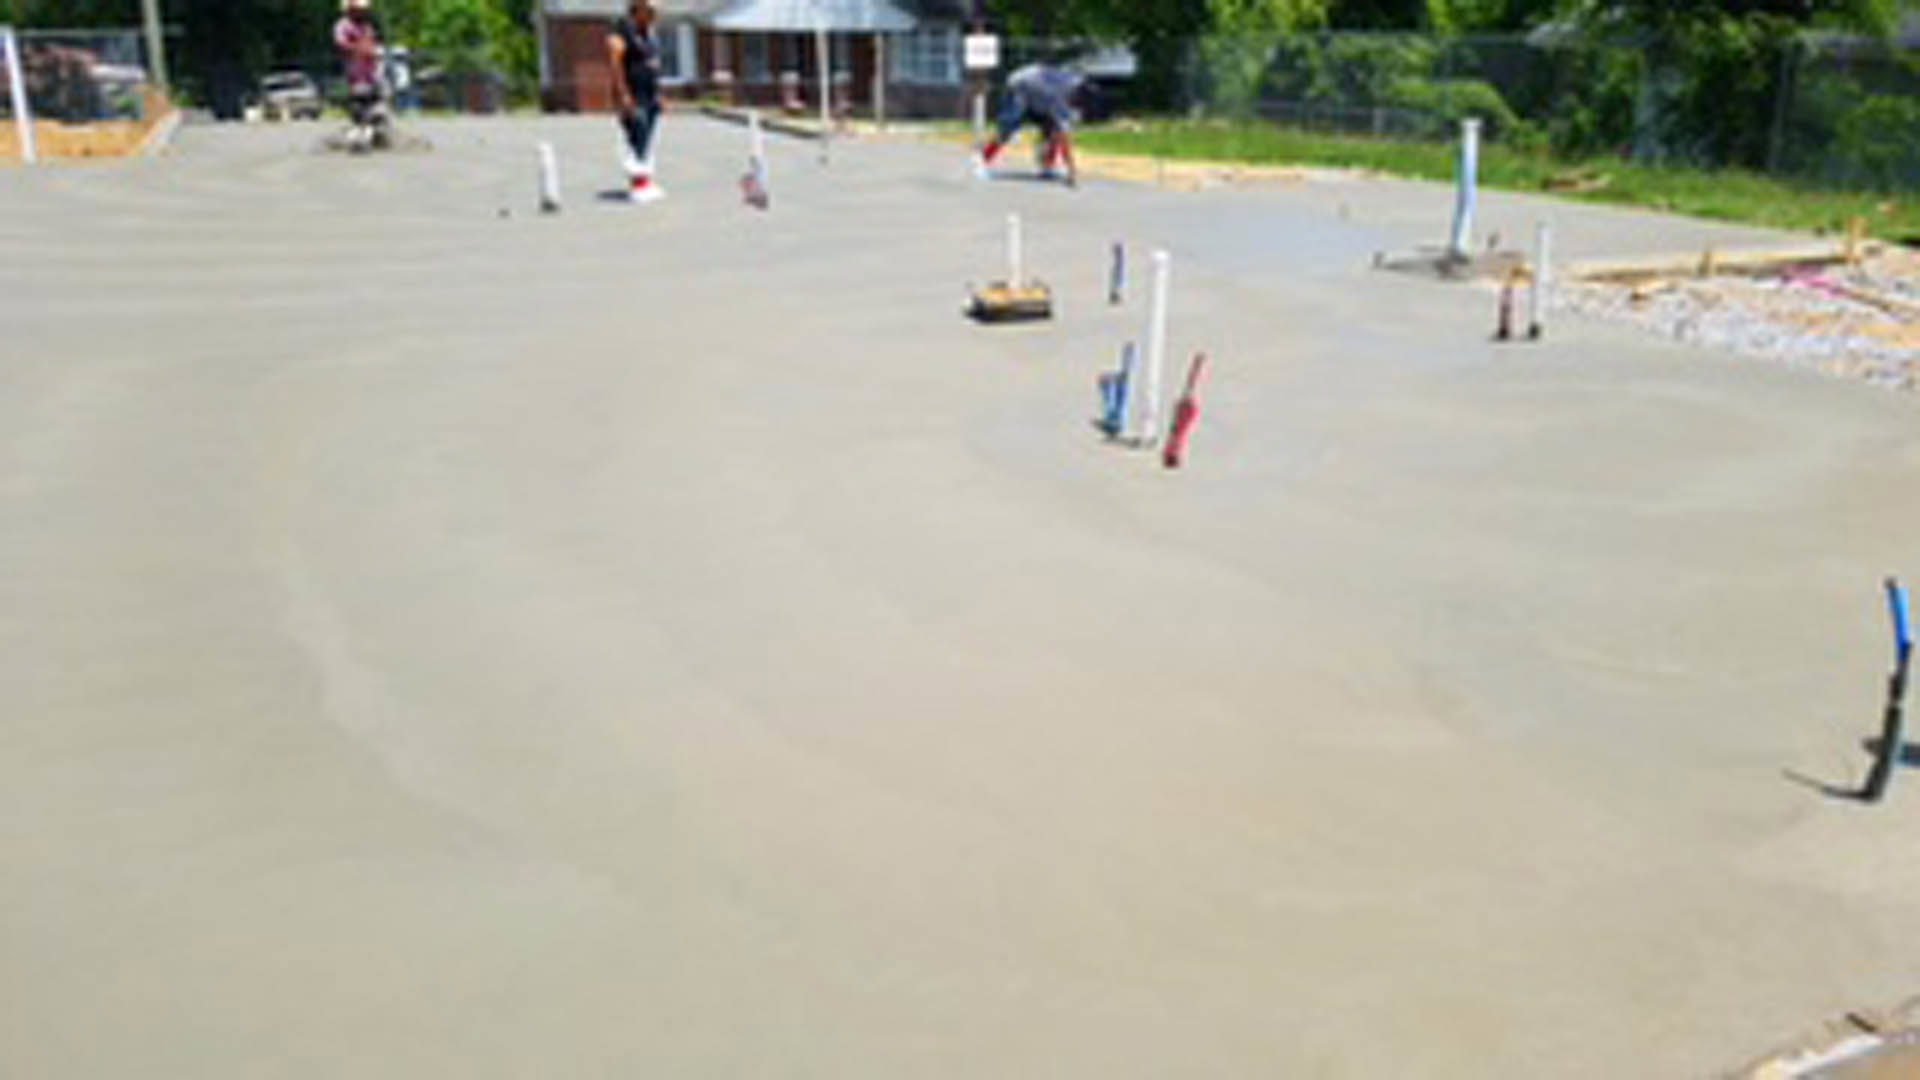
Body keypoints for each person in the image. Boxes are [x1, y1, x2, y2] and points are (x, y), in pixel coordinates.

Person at [974, 61, 1086, 187]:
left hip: (1039, 97)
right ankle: (983, 162)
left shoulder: (1072, 87)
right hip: (1019, 86)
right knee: (1007, 129)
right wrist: (1071, 170)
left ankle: (1048, 167)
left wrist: (1070, 170)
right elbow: (1064, 137)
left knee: (1052, 129)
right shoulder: (1062, 94)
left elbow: (1061, 131)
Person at [607, 0, 665, 203]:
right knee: (636, 136)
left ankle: (645, 181)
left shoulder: (649, 34)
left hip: (649, 94)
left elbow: (654, 65)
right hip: (633, 95)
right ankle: (637, 185)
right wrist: (623, 95)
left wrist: (658, 92)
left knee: (647, 139)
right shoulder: (621, 31)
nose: (654, 15)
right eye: (650, 11)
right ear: (637, 9)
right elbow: (615, 66)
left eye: (656, 11)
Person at [333, 0, 388, 149]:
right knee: (359, 104)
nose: (361, 13)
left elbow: (373, 44)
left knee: (377, 103)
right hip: (355, 73)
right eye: (358, 10)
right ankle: (358, 134)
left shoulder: (366, 27)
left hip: (371, 72)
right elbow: (341, 43)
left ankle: (375, 133)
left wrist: (374, 51)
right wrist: (359, 48)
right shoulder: (343, 26)